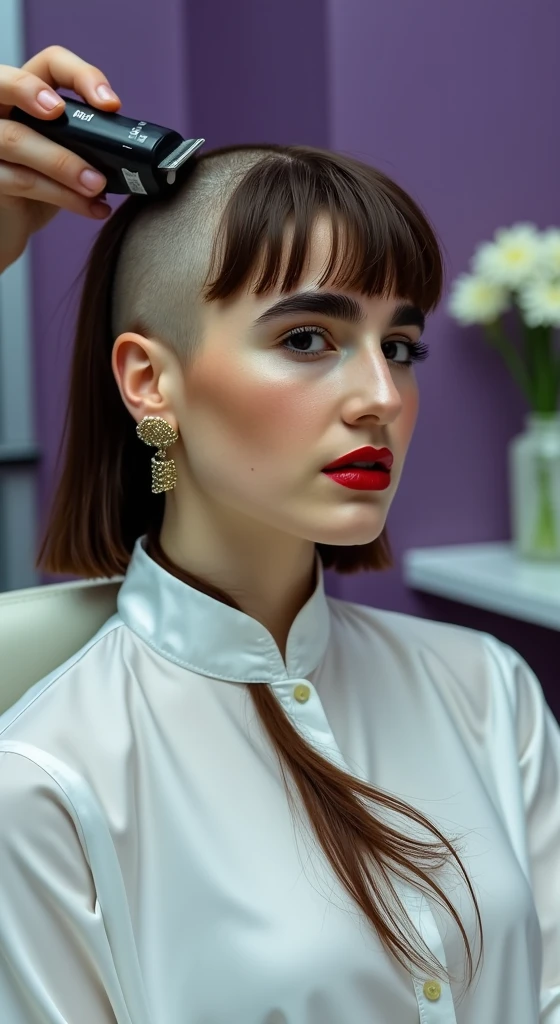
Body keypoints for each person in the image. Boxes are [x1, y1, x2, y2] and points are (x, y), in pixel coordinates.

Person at [0, 45, 558, 1024]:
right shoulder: (43, 784)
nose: (380, 398)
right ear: (148, 381)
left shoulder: (489, 693)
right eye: (308, 339)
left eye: (399, 345)